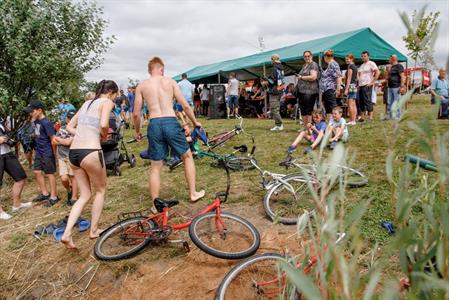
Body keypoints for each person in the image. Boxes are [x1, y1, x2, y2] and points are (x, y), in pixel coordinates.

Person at [133, 57, 205, 209]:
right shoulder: (170, 82)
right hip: (170, 121)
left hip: (154, 123)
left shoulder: (142, 86)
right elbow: (185, 105)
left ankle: (155, 205)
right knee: (187, 156)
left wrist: (137, 131)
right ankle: (193, 193)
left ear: (149, 70)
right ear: (162, 68)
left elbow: (135, 113)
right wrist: (194, 122)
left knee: (155, 166)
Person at [60, 80, 117, 249]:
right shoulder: (107, 102)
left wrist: (83, 133)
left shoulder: (86, 103)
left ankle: (67, 233)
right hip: (91, 151)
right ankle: (94, 230)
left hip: (74, 153)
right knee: (100, 190)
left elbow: (69, 126)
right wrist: (102, 135)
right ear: (112, 93)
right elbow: (105, 124)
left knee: (84, 195)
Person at [25, 100, 59, 206]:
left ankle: (54, 196)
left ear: (39, 110)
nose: (30, 113)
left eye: (32, 111)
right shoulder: (35, 121)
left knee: (49, 173)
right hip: (39, 151)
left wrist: (55, 154)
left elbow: (53, 139)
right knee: (37, 171)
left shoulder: (46, 122)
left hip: (47, 151)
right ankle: (45, 193)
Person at [0, 120, 30, 220]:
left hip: (7, 153)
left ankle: (16, 204)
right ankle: (0, 212)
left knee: (20, 177)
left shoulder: (1, 121)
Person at [54, 111, 78, 206]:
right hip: (61, 156)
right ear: (67, 119)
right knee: (64, 178)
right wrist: (61, 142)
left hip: (71, 155)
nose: (70, 120)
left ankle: (74, 198)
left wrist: (59, 140)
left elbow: (68, 143)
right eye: (69, 118)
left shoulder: (76, 129)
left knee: (73, 177)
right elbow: (53, 141)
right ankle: (69, 190)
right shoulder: (61, 129)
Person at [296, 50, 320, 126]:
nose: (307, 58)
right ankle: (305, 127)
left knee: (308, 110)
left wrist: (301, 77)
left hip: (310, 91)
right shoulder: (304, 65)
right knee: (303, 110)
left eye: (308, 56)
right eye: (305, 56)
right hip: (302, 91)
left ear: (311, 56)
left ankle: (309, 127)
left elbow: (313, 77)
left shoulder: (313, 65)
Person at [357, 51, 379, 122]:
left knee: (368, 101)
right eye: (362, 56)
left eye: (365, 56)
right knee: (361, 101)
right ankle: (362, 118)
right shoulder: (362, 65)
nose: (363, 57)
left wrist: (372, 82)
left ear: (368, 56)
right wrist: (358, 82)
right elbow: (359, 74)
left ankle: (370, 117)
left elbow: (377, 72)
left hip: (367, 85)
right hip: (361, 85)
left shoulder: (371, 63)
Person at [320, 50, 342, 119]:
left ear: (326, 57)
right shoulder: (330, 64)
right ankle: (330, 125)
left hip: (330, 89)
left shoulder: (333, 64)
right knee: (329, 109)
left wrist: (338, 89)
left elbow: (338, 76)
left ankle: (337, 125)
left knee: (333, 109)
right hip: (326, 90)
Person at [265, 54, 285, 131]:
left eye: (271, 60)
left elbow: (272, 81)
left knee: (274, 109)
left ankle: (279, 125)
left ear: (273, 60)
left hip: (275, 91)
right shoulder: (281, 68)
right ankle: (279, 124)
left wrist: (266, 80)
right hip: (280, 90)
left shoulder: (275, 69)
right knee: (276, 108)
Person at [386, 55, 406, 120]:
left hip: (396, 87)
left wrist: (402, 86)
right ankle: (391, 116)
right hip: (390, 87)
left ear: (393, 59)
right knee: (390, 102)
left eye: (389, 59)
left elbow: (402, 76)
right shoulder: (392, 67)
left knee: (396, 101)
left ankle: (397, 116)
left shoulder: (399, 66)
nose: (389, 60)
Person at [344, 54, 358, 125]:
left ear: (352, 59)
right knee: (353, 103)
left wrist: (346, 89)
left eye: (347, 59)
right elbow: (357, 78)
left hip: (351, 86)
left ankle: (352, 120)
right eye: (345, 59)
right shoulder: (355, 67)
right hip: (354, 85)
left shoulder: (350, 66)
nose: (346, 60)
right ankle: (353, 120)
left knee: (350, 104)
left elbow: (349, 79)